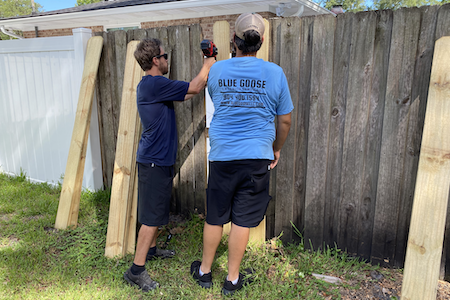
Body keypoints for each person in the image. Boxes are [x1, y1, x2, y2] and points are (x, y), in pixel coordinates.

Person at [191, 13, 293, 295]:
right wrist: (276, 148)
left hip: (223, 154)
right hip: (257, 156)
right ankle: (232, 278)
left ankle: (205, 271)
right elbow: (284, 120)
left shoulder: (218, 71)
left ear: (234, 41)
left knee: (215, 216)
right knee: (242, 219)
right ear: (260, 41)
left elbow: (216, 98)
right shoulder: (275, 73)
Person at [123, 38, 215, 292]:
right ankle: (135, 271)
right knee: (151, 218)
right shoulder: (154, 83)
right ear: (155, 60)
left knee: (157, 211)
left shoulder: (154, 86)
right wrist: (209, 61)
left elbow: (186, 94)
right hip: (153, 161)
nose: (167, 60)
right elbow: (195, 88)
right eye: (164, 56)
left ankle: (151, 250)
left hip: (157, 160)